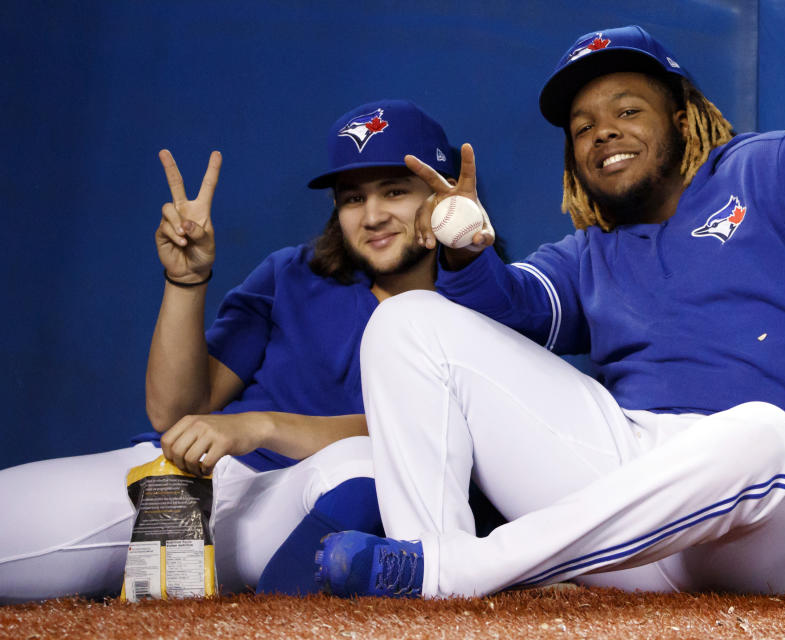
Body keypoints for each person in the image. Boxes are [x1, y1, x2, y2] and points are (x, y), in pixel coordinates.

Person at [312, 25, 785, 600]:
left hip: (784, 521)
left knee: (762, 434)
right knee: (406, 320)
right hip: (635, 516)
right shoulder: (589, 253)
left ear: (683, 114)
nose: (603, 132)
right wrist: (466, 250)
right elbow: (514, 308)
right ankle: (429, 574)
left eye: (628, 110)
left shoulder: (779, 168)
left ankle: (455, 571)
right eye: (583, 128)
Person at [0, 99, 459, 603]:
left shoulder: (483, 308)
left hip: (292, 505)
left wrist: (261, 425)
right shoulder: (293, 273)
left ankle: (257, 621)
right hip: (186, 478)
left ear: (441, 194)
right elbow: (174, 413)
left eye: (394, 191)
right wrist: (185, 281)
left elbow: (426, 438)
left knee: (366, 467)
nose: (372, 216)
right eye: (352, 198)